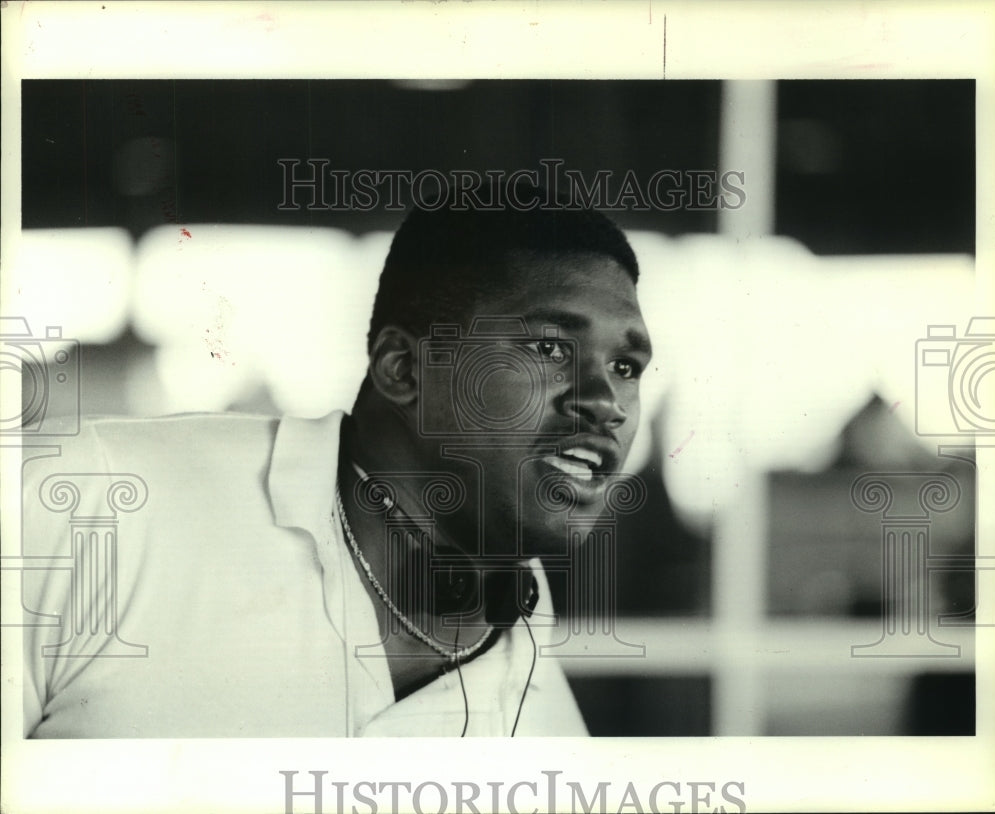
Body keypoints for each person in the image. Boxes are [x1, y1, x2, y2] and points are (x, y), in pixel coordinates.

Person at [20, 184, 652, 737]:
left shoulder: (529, 678)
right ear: (404, 369)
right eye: (548, 347)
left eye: (626, 367)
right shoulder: (104, 503)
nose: (606, 402)